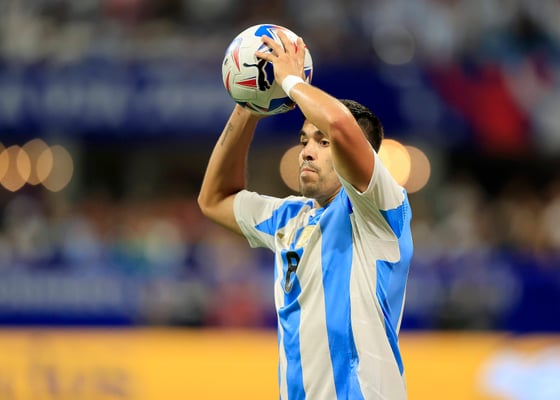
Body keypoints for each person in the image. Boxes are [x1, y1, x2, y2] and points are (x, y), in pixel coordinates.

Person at [198, 30, 414, 400]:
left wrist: (291, 81)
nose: (306, 152)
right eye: (303, 141)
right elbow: (214, 199)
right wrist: (250, 103)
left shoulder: (379, 210)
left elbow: (342, 127)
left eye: (322, 142)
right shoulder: (287, 219)